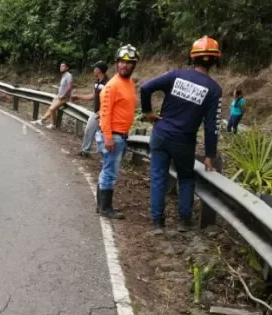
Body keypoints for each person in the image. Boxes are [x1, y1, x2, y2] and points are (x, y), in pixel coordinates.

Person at [140, 36, 223, 234]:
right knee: (186, 178)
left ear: (192, 58)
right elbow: (212, 126)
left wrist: (148, 113)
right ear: (215, 60)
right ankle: (184, 222)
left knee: (158, 177)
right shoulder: (214, 90)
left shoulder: (175, 75)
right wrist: (210, 155)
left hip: (161, 134)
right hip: (184, 141)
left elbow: (145, 88)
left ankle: (158, 223)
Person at [95, 46, 140, 219]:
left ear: (134, 65)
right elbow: (105, 113)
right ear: (116, 63)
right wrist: (108, 138)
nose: (125, 66)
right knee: (110, 172)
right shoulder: (112, 86)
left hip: (119, 134)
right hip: (112, 135)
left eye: (129, 63)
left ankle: (101, 206)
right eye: (122, 62)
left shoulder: (128, 84)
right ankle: (105, 208)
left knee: (107, 170)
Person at [72, 61, 109, 156]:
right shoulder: (97, 82)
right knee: (89, 129)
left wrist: (103, 112)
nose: (93, 70)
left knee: (102, 136)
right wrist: (79, 96)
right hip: (96, 112)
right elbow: (92, 96)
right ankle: (85, 151)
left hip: (104, 113)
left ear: (99, 70)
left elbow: (109, 100)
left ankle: (104, 155)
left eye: (95, 68)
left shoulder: (108, 84)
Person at [32, 62, 73, 128]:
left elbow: (69, 87)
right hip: (59, 96)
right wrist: (58, 95)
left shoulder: (68, 75)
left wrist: (64, 96)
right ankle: (41, 121)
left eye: (63, 66)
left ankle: (53, 124)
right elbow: (63, 87)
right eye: (60, 66)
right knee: (50, 109)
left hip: (64, 98)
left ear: (67, 68)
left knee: (52, 109)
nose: (61, 68)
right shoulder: (64, 76)